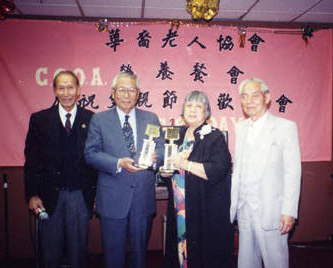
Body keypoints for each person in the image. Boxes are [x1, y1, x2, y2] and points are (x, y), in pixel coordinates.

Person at [84, 72, 164, 268]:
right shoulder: (100, 120)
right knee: (113, 258)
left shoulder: (150, 118)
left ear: (138, 93)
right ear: (113, 93)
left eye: (131, 90)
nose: (126, 95)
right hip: (112, 198)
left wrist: (155, 159)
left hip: (142, 198)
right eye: (122, 89)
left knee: (140, 257)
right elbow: (91, 154)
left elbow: (161, 148)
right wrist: (119, 162)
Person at [24, 70, 97, 268]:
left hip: (79, 197)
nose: (66, 93)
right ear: (55, 91)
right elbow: (31, 161)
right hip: (48, 197)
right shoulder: (40, 120)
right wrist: (32, 195)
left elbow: (96, 160)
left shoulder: (91, 120)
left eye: (71, 87)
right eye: (61, 88)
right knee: (50, 255)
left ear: (79, 90)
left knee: (78, 256)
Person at [230, 78, 301, 268]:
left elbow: (292, 173)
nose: (249, 101)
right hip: (244, 209)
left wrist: (289, 211)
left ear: (267, 97)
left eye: (255, 95)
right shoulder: (241, 128)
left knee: (275, 262)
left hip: (272, 211)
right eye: (244, 97)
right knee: (246, 262)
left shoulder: (285, 128)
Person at [162, 90, 234, 268]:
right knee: (181, 249)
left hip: (203, 209)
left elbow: (218, 170)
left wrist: (184, 164)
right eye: (189, 105)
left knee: (203, 255)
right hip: (180, 207)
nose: (192, 110)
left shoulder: (214, 136)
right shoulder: (179, 135)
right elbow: (175, 170)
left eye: (198, 106)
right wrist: (166, 173)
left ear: (206, 112)